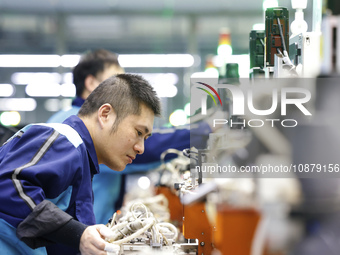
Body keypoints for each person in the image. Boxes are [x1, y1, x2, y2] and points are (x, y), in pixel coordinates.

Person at [0, 74, 161, 255]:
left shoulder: (80, 160)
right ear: (105, 114)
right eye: (138, 132)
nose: (141, 148)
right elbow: (7, 187)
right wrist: (79, 234)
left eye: (145, 138)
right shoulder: (65, 142)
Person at [47, 49, 212, 224]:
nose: (139, 147)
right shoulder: (75, 130)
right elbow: (152, 148)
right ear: (91, 83)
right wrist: (204, 130)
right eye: (116, 81)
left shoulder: (66, 120)